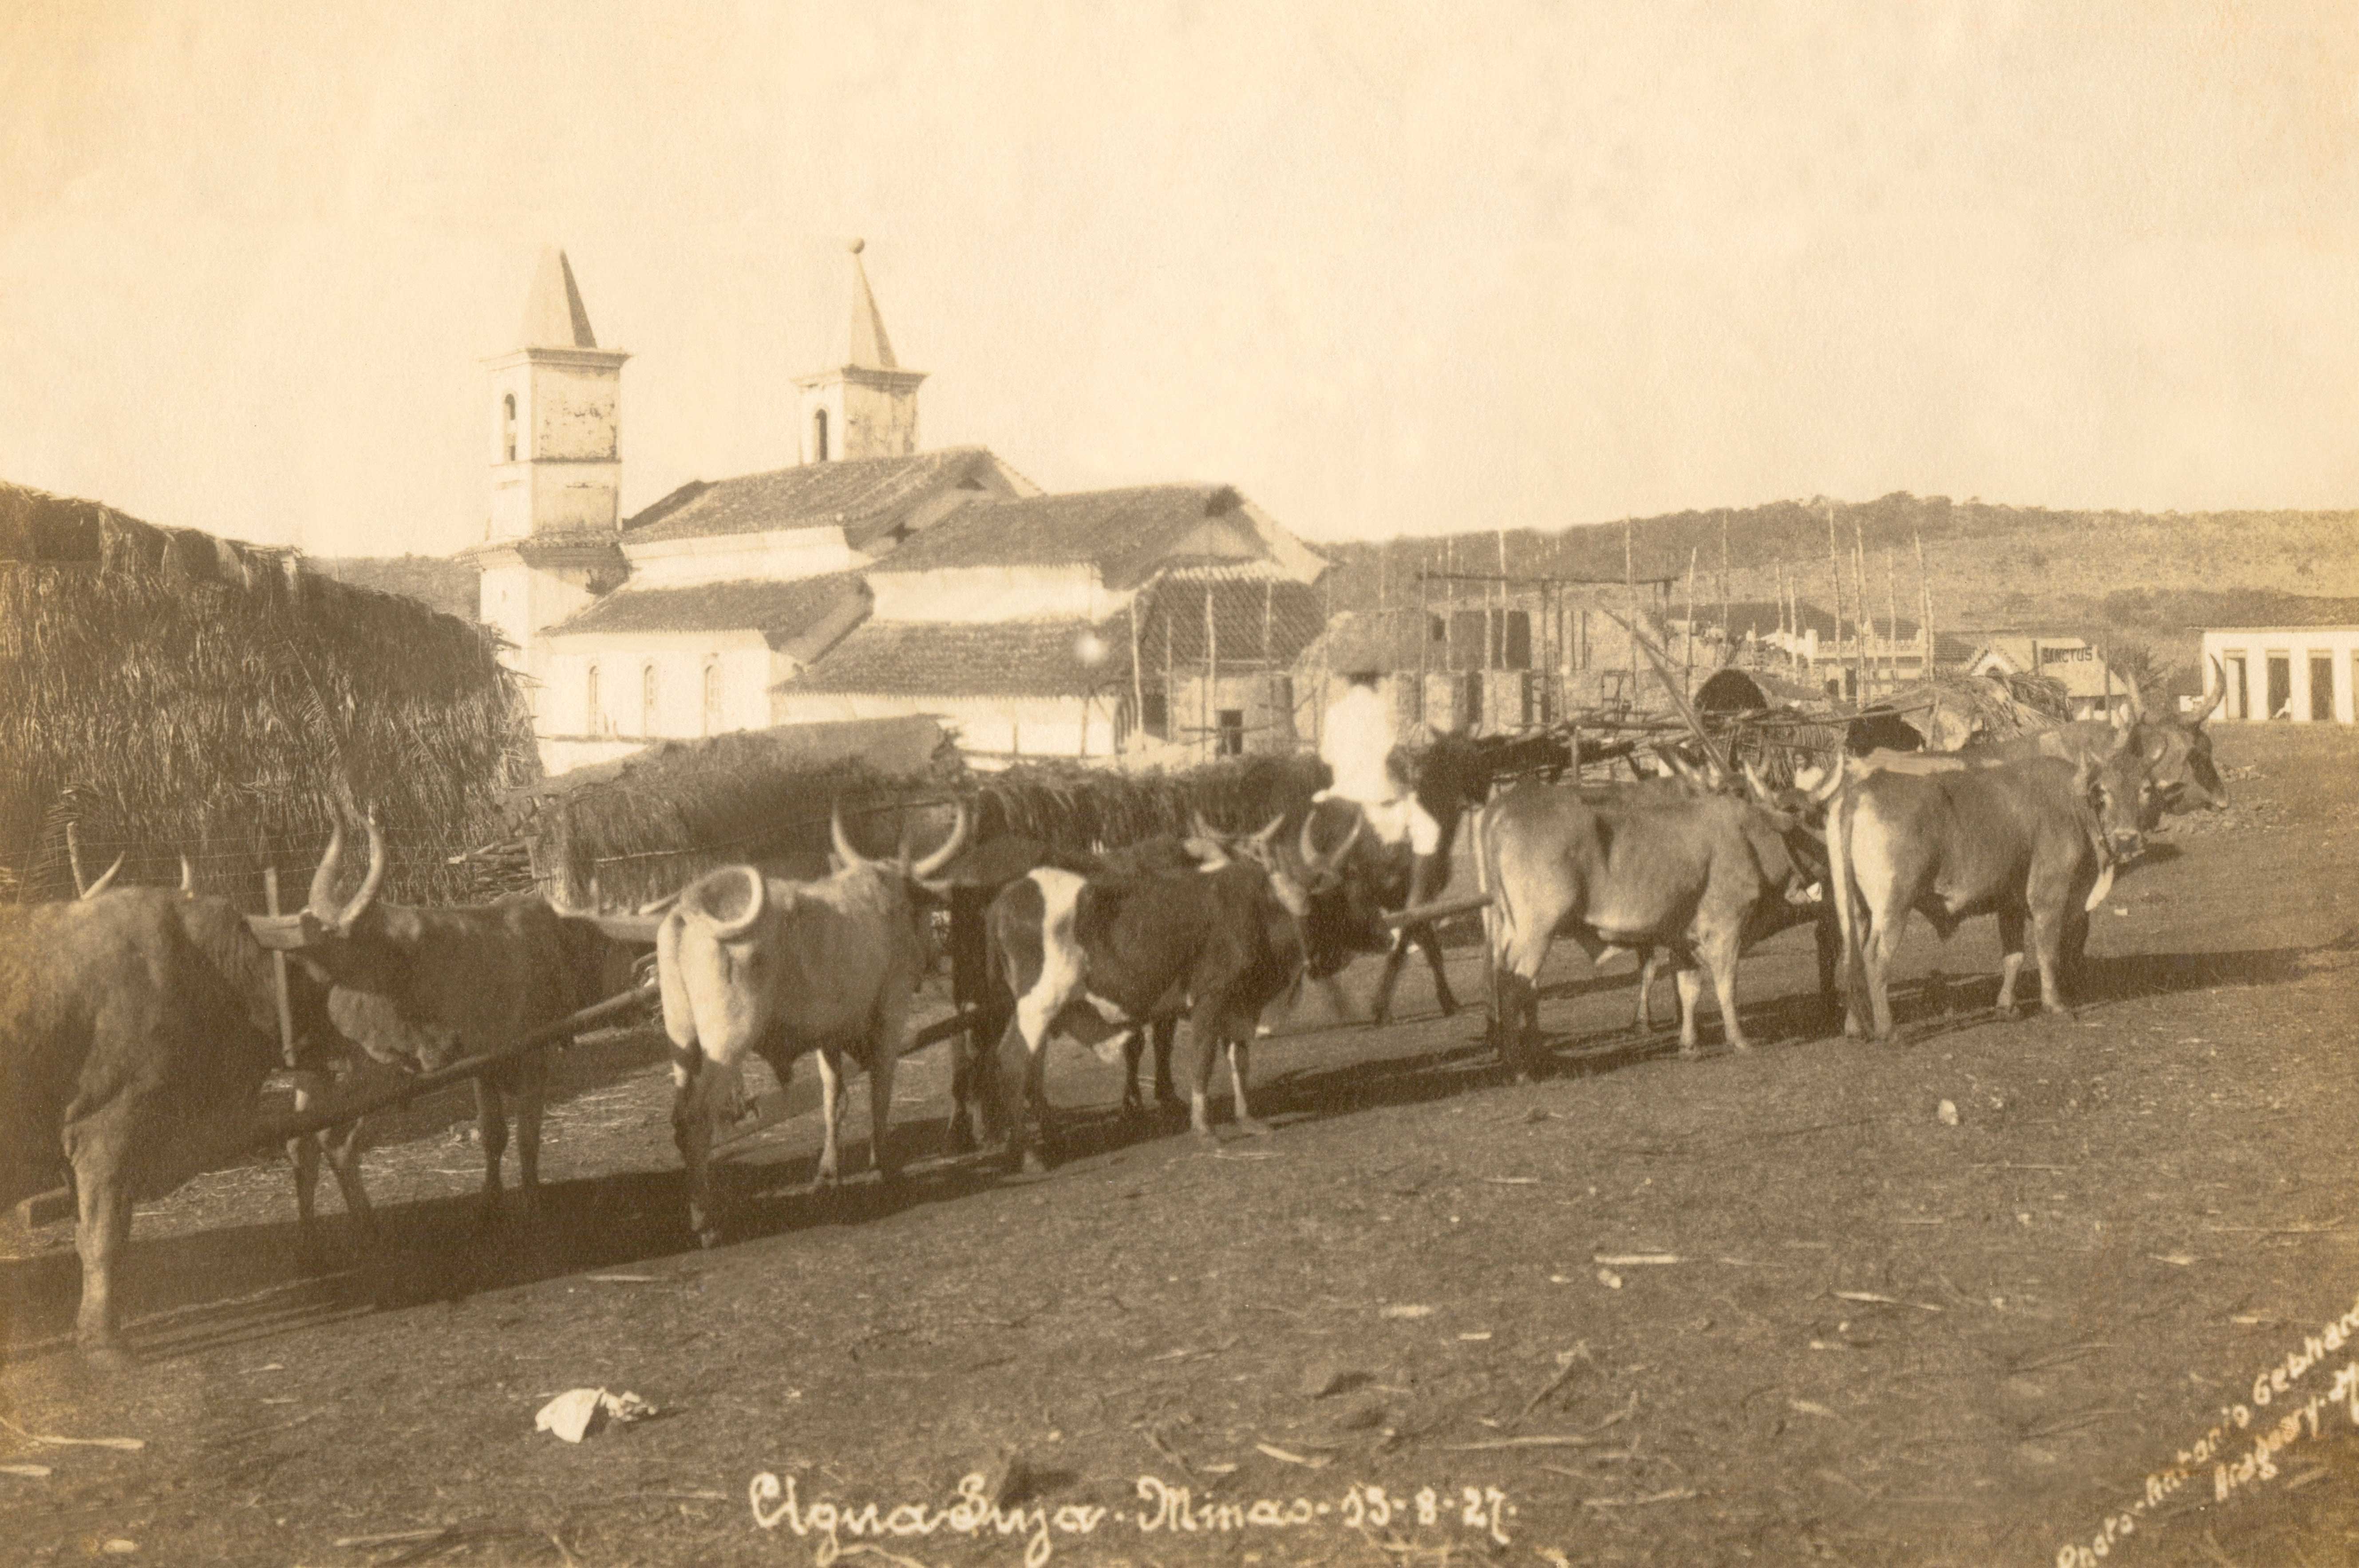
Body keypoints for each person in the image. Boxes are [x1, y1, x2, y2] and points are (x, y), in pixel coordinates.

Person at [1317, 669, 1442, 862]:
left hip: (1340, 796)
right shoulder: (1379, 708)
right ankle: (1414, 884)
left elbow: (1326, 757)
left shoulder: (1334, 711)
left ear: (1350, 681)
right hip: (1373, 800)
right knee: (1429, 831)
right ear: (1374, 680)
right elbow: (1390, 753)